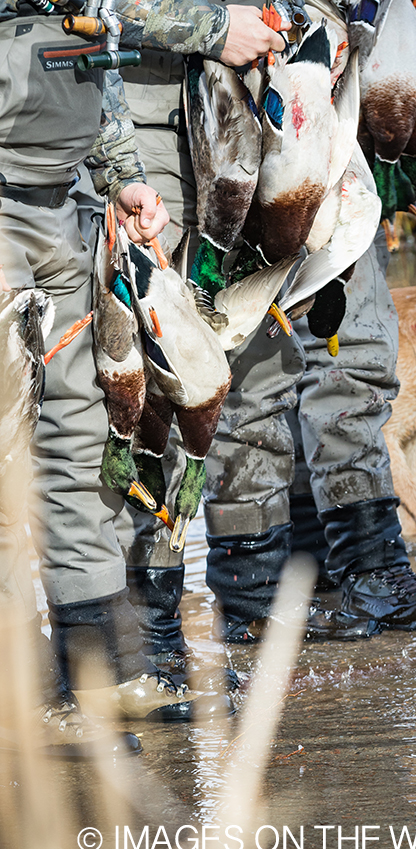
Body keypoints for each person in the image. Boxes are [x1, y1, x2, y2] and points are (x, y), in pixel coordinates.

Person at [97, 0, 416, 661]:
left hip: (306, 120)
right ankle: (245, 594)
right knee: (222, 377)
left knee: (352, 358)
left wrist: (386, 145)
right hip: (181, 131)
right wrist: (211, 25)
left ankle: (357, 564)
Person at [0, 0, 214, 731]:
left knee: (82, 442)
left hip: (66, 210)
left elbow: (99, 64)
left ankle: (96, 678)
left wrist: (123, 176)